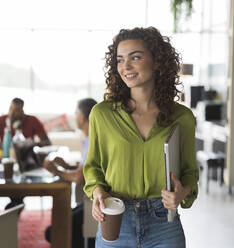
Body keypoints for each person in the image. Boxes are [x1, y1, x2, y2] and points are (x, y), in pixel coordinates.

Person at [83, 27, 199, 248]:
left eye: (135, 57)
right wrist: (98, 192)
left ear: (157, 62)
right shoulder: (102, 114)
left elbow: (190, 173)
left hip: (164, 224)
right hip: (116, 219)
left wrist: (182, 192)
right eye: (120, 60)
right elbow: (93, 168)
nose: (125, 66)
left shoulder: (182, 117)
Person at [43, 98, 97, 248]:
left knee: (53, 231)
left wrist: (57, 171)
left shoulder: (93, 140)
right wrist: (67, 165)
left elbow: (80, 177)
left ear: (82, 117)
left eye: (76, 112)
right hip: (89, 199)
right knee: (60, 222)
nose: (74, 116)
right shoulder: (88, 140)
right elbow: (86, 169)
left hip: (94, 202)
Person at [0, 97, 51, 209]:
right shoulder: (1, 121)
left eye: (17, 110)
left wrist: (31, 144)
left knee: (18, 195)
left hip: (25, 165)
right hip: (5, 164)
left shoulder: (32, 120)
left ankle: (10, 211)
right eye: (11, 109)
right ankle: (10, 211)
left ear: (23, 110)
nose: (13, 114)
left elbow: (47, 142)